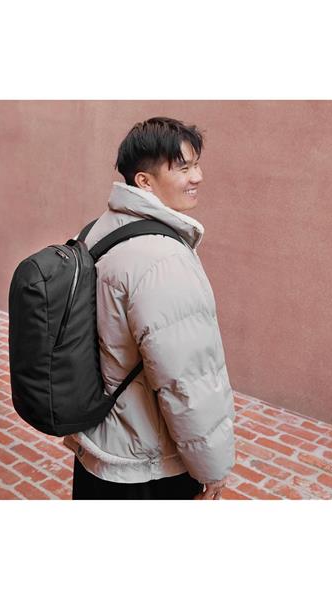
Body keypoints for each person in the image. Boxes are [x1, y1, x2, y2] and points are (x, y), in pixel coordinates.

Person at [63, 116, 235, 500]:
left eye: (196, 165)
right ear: (144, 181)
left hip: (97, 449)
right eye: (183, 168)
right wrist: (212, 468)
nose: (198, 177)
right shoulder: (163, 259)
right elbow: (186, 380)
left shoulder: (95, 231)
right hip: (147, 465)